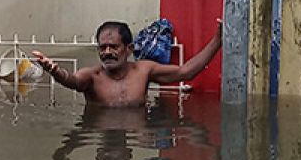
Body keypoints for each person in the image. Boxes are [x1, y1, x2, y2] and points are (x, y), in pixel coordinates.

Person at [31, 20, 222, 108]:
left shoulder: (144, 70)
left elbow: (185, 72)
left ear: (129, 48)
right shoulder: (92, 76)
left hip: (136, 131)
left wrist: (217, 40)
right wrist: (55, 71)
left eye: (113, 47)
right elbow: (72, 80)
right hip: (97, 130)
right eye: (102, 47)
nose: (107, 52)